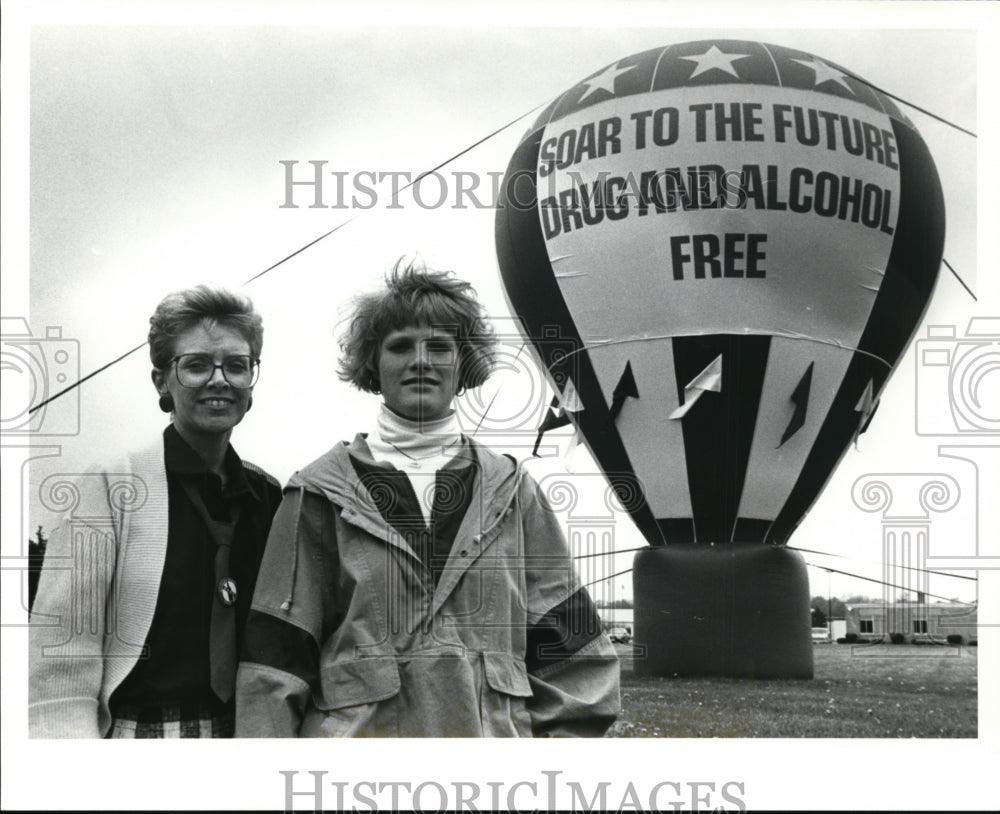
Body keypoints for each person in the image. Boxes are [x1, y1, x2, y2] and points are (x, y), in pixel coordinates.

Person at [237, 259, 620, 737]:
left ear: (465, 362)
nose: (421, 361)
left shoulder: (514, 491)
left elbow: (576, 659)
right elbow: (273, 670)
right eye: (399, 346)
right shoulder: (316, 494)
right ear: (373, 363)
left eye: (440, 346)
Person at [29, 285, 282, 738]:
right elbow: (62, 654)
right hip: (138, 735)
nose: (219, 380)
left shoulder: (267, 496)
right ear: (162, 381)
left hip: (248, 736)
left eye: (237, 366)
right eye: (197, 364)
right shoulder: (111, 484)